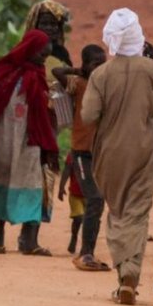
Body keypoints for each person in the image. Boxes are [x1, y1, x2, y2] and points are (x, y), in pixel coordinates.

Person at [83, 9, 153, 304]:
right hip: (143, 151)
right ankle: (130, 272)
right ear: (138, 36)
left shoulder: (100, 74)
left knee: (118, 212)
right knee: (137, 212)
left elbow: (88, 115)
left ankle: (125, 273)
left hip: (108, 154)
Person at [0, 28, 61, 257]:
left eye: (46, 55)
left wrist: (48, 145)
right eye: (41, 54)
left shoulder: (38, 76)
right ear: (29, 49)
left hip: (29, 140)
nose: (43, 59)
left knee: (32, 184)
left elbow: (42, 114)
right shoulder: (4, 71)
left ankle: (31, 241)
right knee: (1, 180)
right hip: (3, 136)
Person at [64, 43, 107, 270]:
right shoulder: (80, 83)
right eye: (95, 64)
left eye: (103, 64)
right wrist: (78, 71)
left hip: (100, 152)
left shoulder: (105, 86)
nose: (99, 68)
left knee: (97, 202)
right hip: (81, 152)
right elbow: (57, 72)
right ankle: (85, 253)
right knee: (95, 199)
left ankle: (88, 252)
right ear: (85, 65)